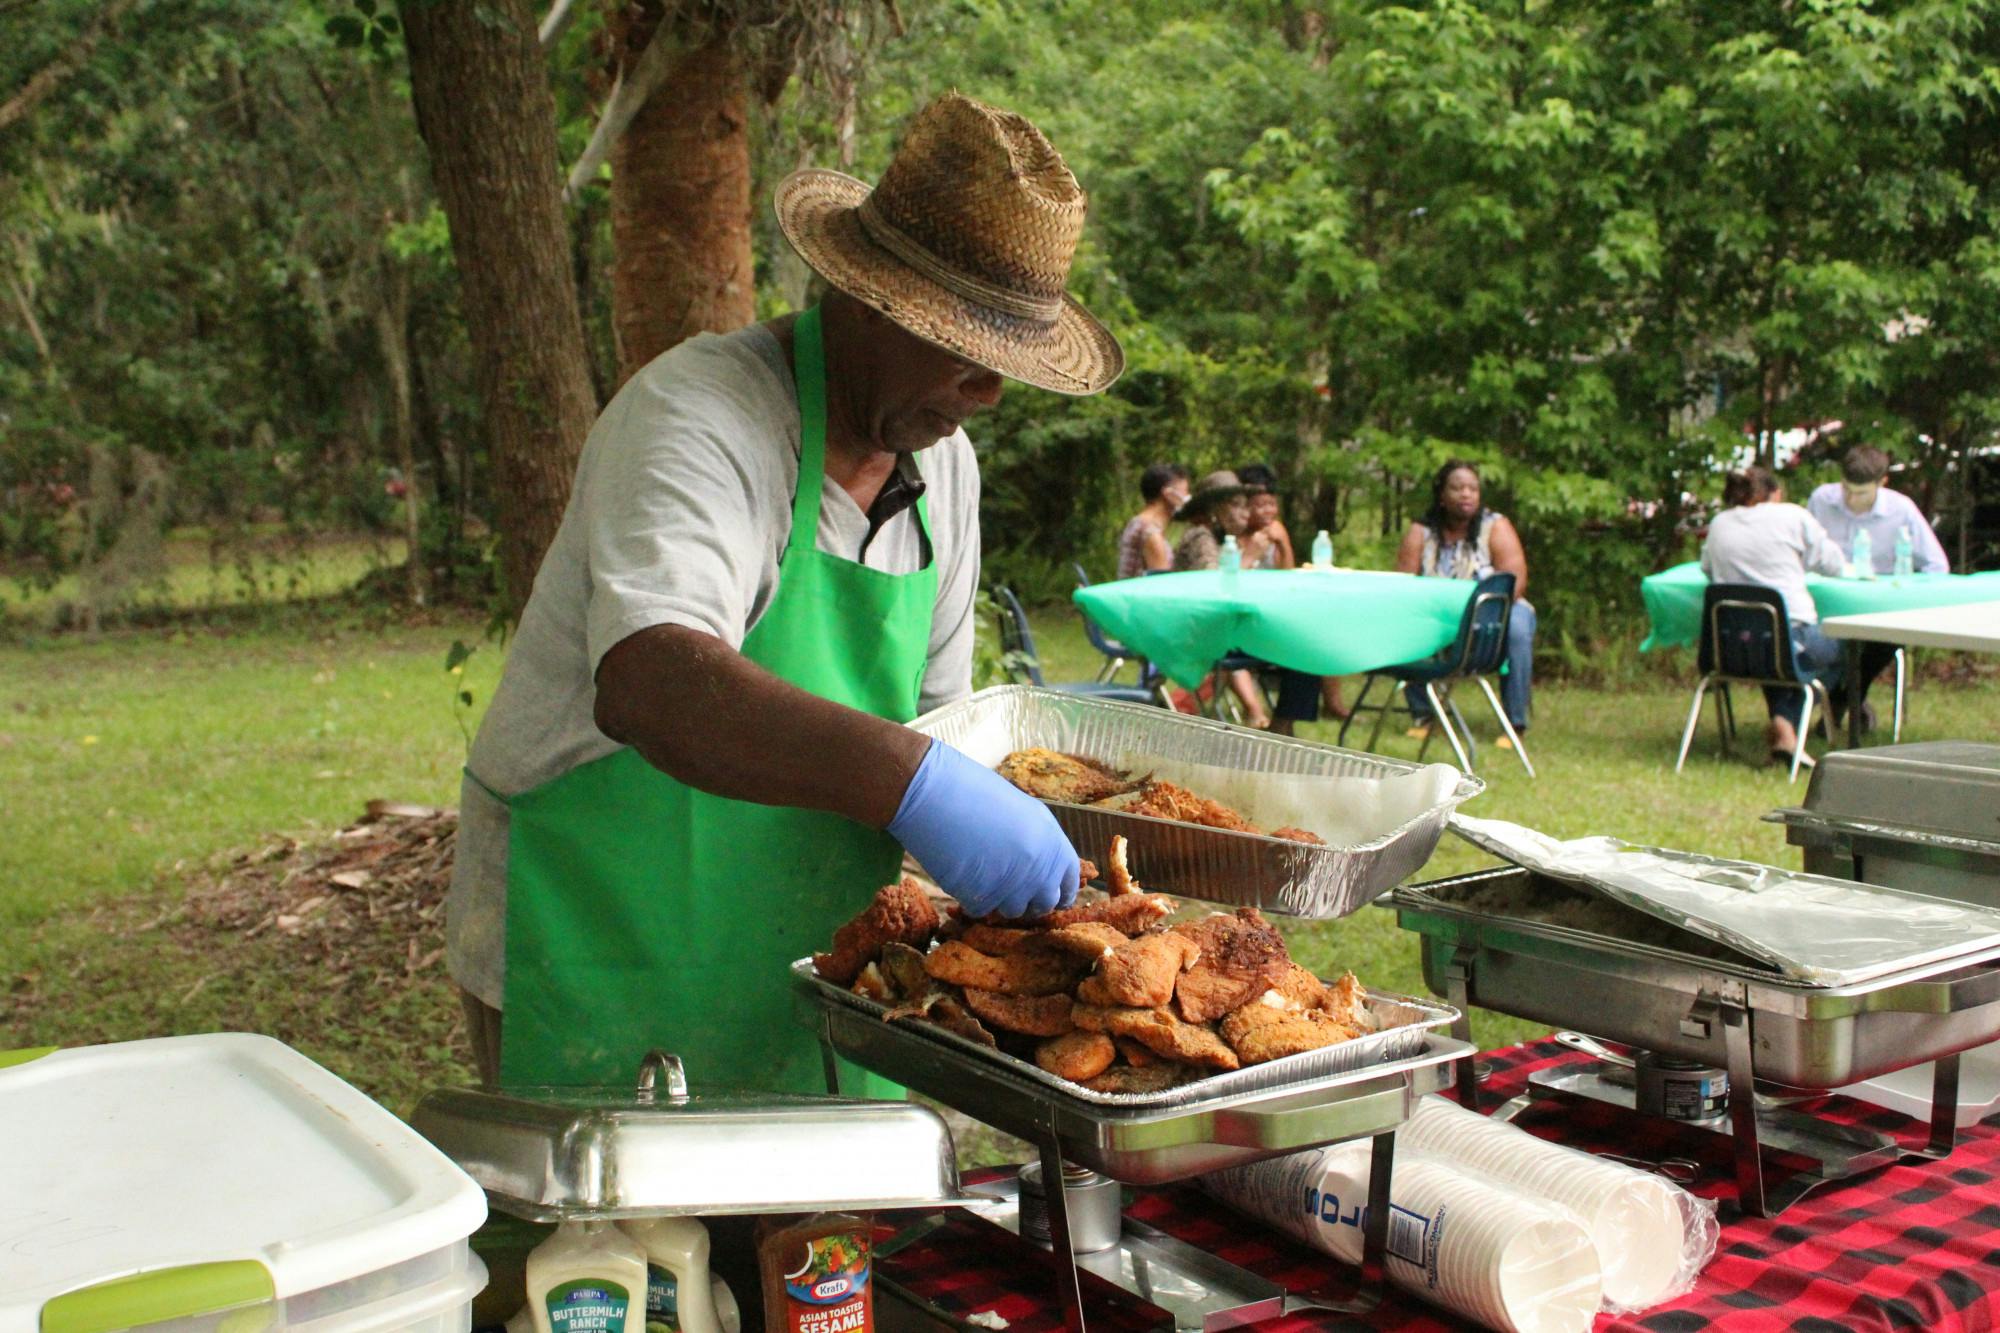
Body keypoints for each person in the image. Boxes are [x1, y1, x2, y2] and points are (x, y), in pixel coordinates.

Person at [445, 93, 1125, 1094]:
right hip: (602, 932)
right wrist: (918, 785)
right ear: (861, 298)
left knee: (817, 1247)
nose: (983, 395)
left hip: (808, 954)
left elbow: (931, 725)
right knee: (632, 1252)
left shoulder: (946, 473)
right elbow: (654, 682)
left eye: (1003, 369)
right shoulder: (699, 415)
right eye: (961, 352)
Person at [1701, 466, 1849, 766]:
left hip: (1731, 648)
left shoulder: (1719, 523)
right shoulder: (1792, 516)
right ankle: (1786, 723)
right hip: (1790, 638)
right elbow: (1833, 564)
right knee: (1847, 649)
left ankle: (1784, 731)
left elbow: (1706, 567)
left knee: (1774, 651)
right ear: (1775, 494)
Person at [1806, 443, 1950, 731]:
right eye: (1847, 489)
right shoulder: (1822, 499)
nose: (1852, 499)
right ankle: (1840, 700)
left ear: (1882, 483)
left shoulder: (1901, 509)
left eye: (1861, 493)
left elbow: (1936, 565)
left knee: (1886, 635)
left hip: (1879, 605)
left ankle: (1841, 700)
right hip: (1829, 602)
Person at [1394, 460, 1535, 745]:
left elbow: (1516, 580)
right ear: (1442, 495)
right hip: (1439, 613)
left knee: (1518, 630)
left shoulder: (1495, 526)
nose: (1466, 494)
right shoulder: (1420, 532)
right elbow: (1402, 584)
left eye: (1472, 488)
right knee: (1404, 623)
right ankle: (1424, 714)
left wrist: (1484, 613)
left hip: (1495, 611)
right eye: (1457, 488)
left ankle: (1514, 723)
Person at [1237, 462, 1348, 730]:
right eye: (1259, 505)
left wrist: (1283, 544)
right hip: (1242, 620)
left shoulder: (1276, 531)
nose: (1267, 511)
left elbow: (1286, 577)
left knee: (1309, 646)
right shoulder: (1236, 537)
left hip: (1271, 615)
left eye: (1271, 504)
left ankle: (1282, 722)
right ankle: (1263, 715)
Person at [1171, 470, 1273, 728]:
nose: (1245, 513)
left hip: (1218, 630)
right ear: (1214, 509)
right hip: (1194, 631)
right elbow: (1212, 590)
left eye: (1245, 505)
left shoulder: (1222, 541)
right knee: (1293, 645)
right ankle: (1276, 722)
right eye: (1236, 505)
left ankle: (1274, 720)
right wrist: (1249, 558)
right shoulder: (1200, 537)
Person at [1117, 462, 1187, 579]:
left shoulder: (1138, 523)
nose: (1185, 499)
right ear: (1168, 493)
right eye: (1184, 493)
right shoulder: (1150, 533)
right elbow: (1160, 588)